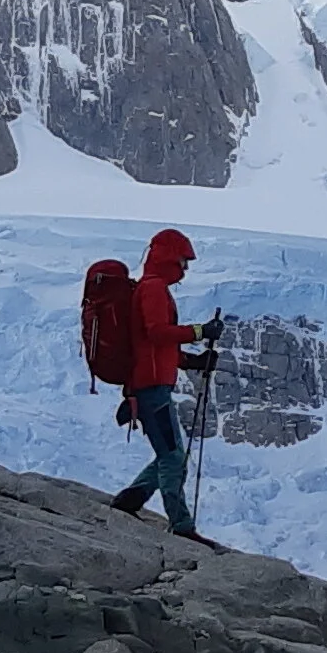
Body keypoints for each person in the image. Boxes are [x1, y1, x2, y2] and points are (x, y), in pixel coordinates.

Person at [109, 227, 224, 541]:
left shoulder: (152, 288)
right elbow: (158, 332)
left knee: (168, 451)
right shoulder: (154, 289)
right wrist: (201, 332)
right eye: (183, 261)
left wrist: (193, 361)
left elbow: (155, 346)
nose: (185, 269)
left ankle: (131, 498)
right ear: (169, 258)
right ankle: (181, 526)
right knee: (173, 456)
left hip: (150, 384)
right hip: (151, 387)